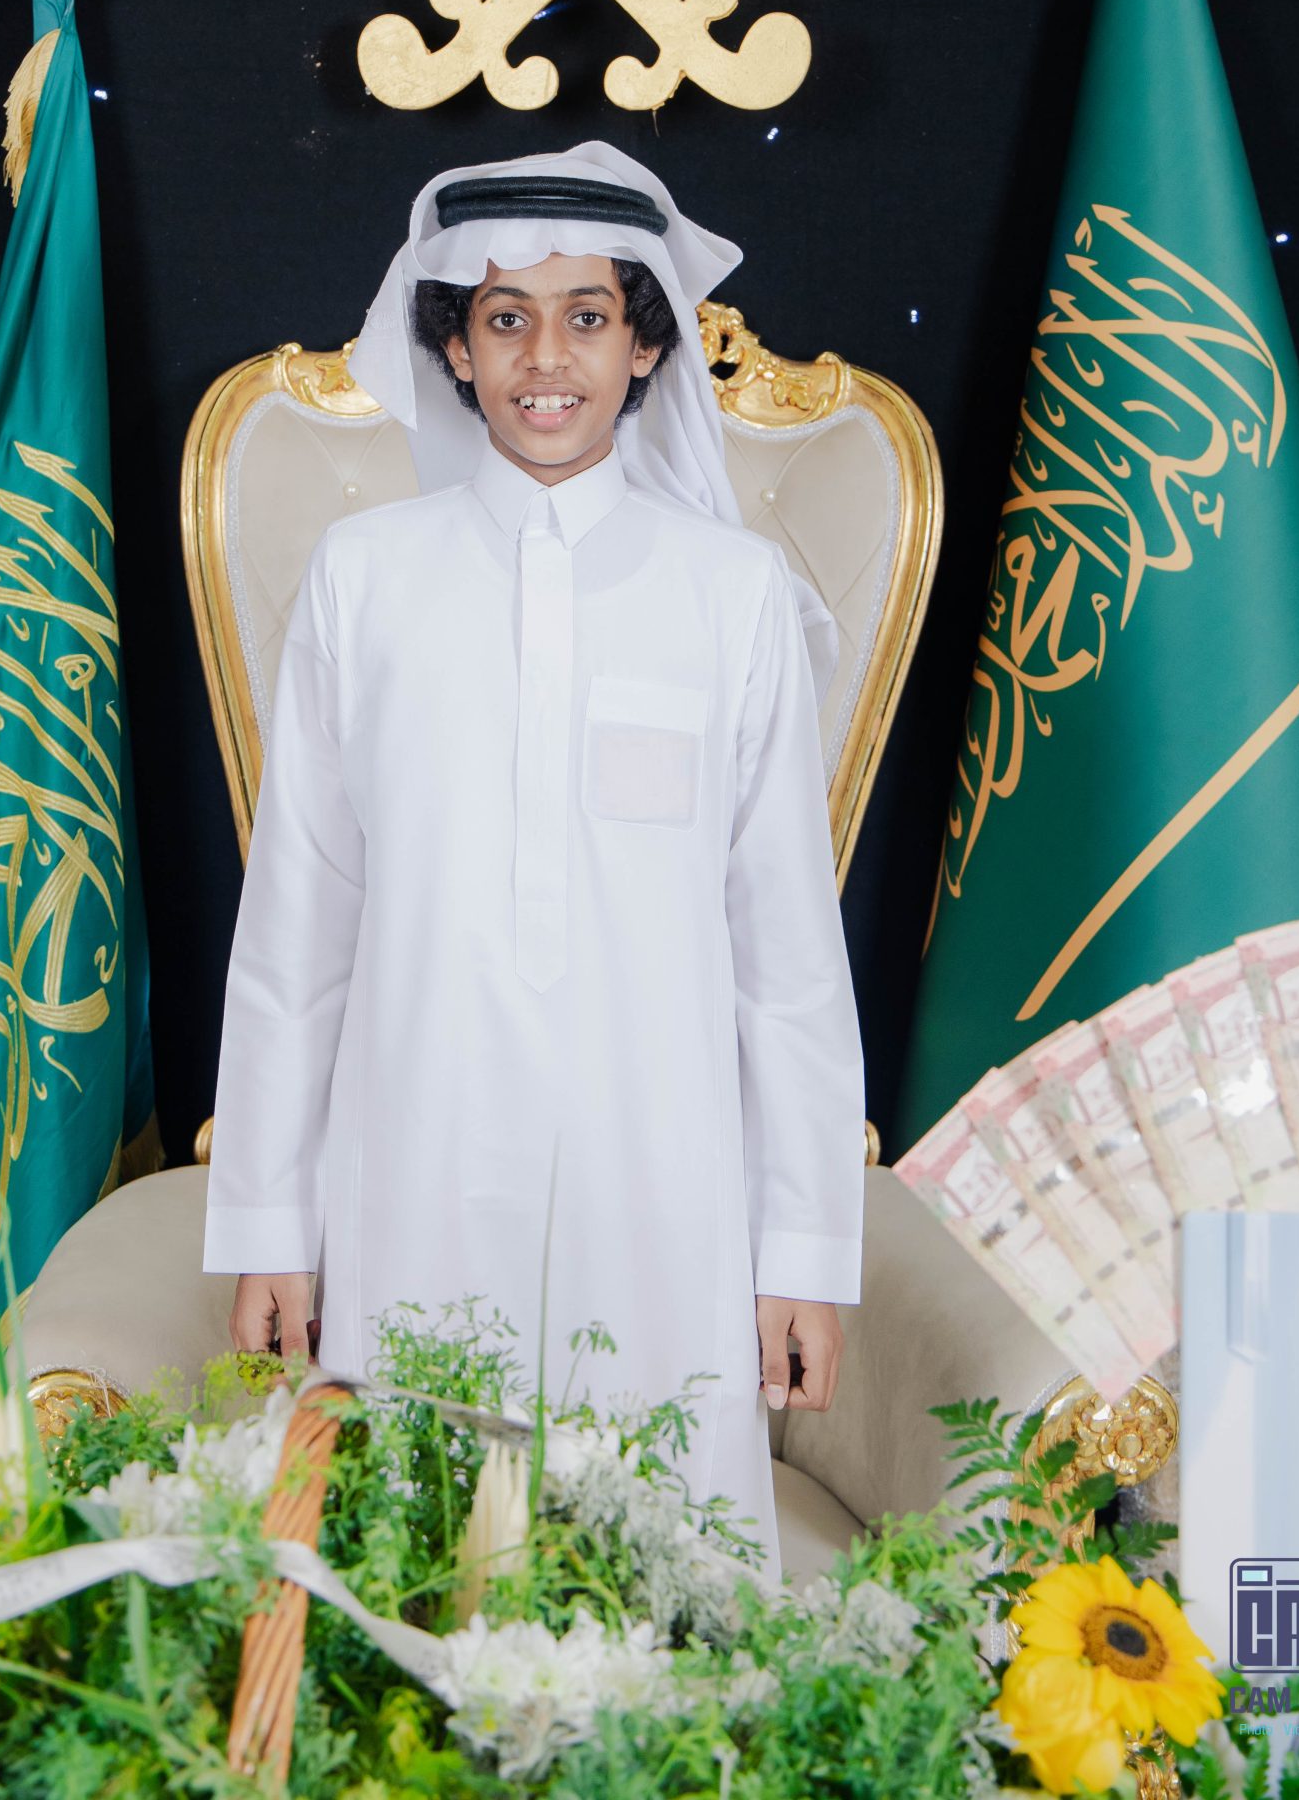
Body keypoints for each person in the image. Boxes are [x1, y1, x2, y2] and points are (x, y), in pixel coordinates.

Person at [202, 142, 866, 1564]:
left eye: (586, 317)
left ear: (644, 347)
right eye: (506, 318)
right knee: (416, 1583)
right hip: (412, 1168)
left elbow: (788, 956)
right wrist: (266, 1222)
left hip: (662, 1186)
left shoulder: (733, 595)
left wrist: (805, 1254)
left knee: (666, 1596)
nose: (545, 358)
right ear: (454, 346)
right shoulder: (365, 580)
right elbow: (299, 926)